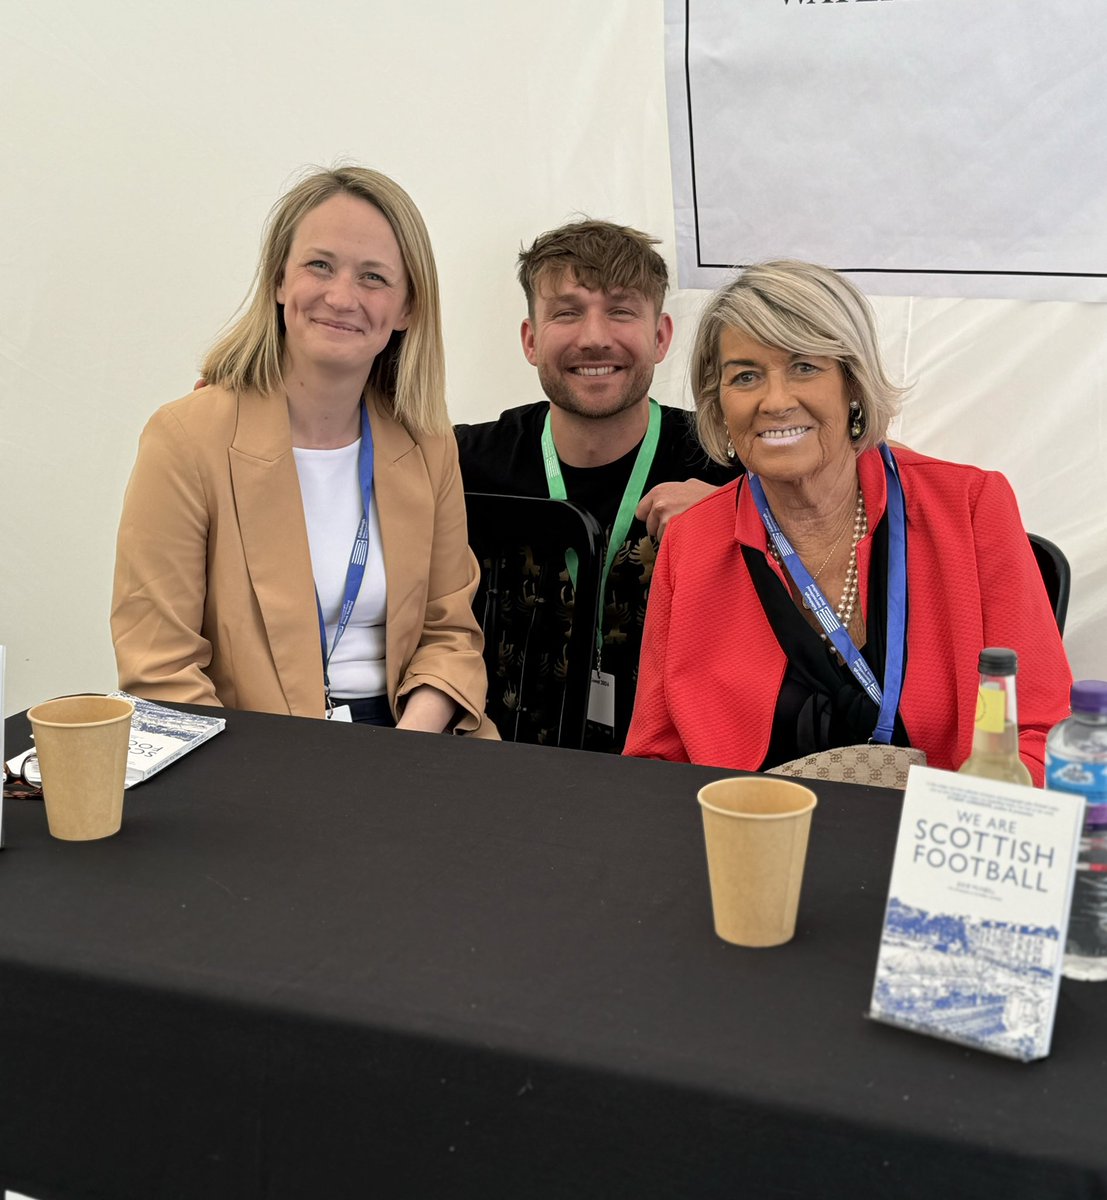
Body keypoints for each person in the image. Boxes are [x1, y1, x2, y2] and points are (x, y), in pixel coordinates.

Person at [623, 259, 1071, 783]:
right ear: (719, 406)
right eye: (745, 376)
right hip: (760, 842)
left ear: (853, 384)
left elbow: (1040, 734)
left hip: (930, 845)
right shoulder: (693, 542)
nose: (775, 400)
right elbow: (655, 760)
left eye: (804, 367)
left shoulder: (971, 508)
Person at [112, 166, 496, 735]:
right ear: (279, 281)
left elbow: (450, 634)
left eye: (373, 277)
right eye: (320, 265)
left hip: (412, 737)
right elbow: (160, 665)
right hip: (248, 748)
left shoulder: (427, 443)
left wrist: (407, 748)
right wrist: (277, 779)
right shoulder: (185, 438)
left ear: (408, 309)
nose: (342, 297)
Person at [454, 219, 740, 751]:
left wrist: (744, 513)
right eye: (566, 312)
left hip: (666, 781)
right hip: (499, 774)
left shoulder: (725, 464)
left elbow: (860, 480)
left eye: (621, 310)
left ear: (661, 337)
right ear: (531, 340)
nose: (593, 337)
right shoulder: (461, 460)